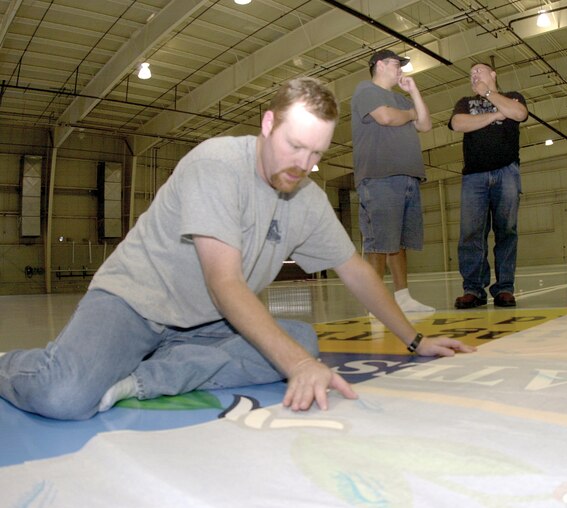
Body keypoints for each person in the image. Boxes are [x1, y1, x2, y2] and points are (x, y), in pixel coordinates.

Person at [0, 77, 475, 421]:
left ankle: (141, 379)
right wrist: (297, 365)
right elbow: (224, 283)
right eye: (294, 146)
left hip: (203, 327)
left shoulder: (307, 199)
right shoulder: (216, 165)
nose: (303, 165)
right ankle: (15, 364)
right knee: (63, 396)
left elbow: (355, 271)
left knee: (305, 341)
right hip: (135, 303)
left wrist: (414, 341)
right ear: (267, 124)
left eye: (317, 154)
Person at [351, 49, 434, 313]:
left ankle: (403, 298)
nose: (401, 69)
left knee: (397, 242)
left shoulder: (400, 99)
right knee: (378, 243)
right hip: (379, 177)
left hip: (407, 176)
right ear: (379, 65)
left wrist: (414, 92)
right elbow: (385, 118)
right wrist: (409, 114)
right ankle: (375, 304)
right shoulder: (366, 89)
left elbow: (425, 124)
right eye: (397, 64)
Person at [448, 62, 528, 309]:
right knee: (471, 233)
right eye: (470, 73)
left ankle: (504, 287)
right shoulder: (465, 103)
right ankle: (473, 289)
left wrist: (489, 94)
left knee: (507, 231)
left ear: (493, 74)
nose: (473, 74)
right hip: (474, 176)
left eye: (478, 71)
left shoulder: (512, 97)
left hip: (507, 172)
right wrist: (494, 115)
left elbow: (519, 114)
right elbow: (458, 123)